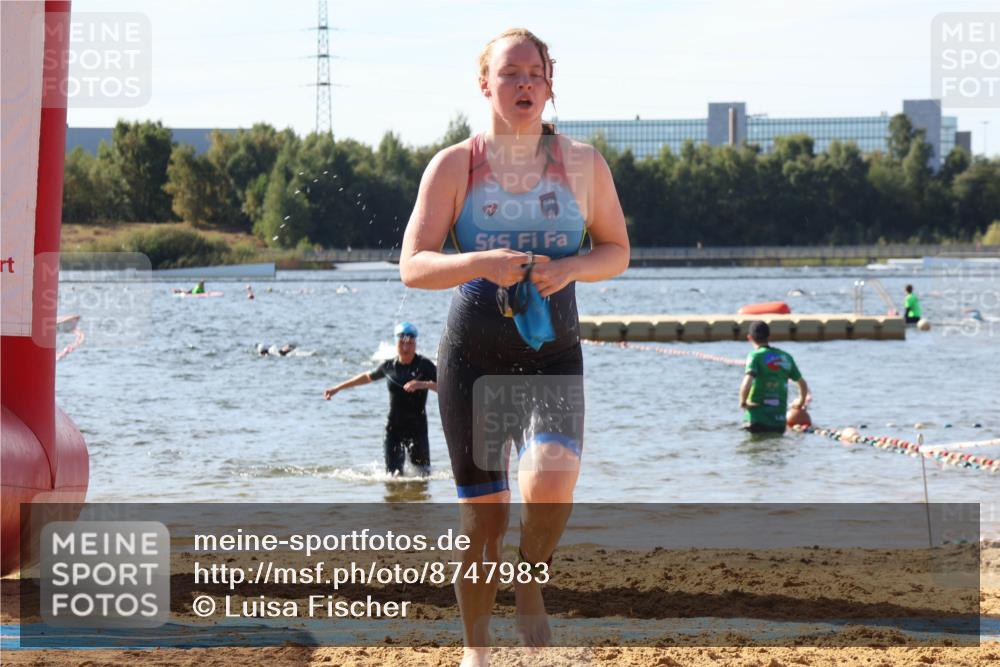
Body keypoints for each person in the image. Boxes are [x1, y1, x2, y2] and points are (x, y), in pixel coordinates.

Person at [398, 28, 629, 665]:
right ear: (485, 84)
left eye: (535, 73)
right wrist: (478, 260)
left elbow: (617, 250)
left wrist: (573, 267)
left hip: (553, 349)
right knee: (486, 522)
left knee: (553, 483)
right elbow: (413, 266)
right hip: (473, 355)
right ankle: (475, 651)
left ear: (550, 85)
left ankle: (530, 587)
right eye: (510, 73)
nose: (523, 84)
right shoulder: (455, 165)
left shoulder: (582, 164)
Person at [323, 322, 437, 476]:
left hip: (417, 428)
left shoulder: (425, 365)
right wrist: (338, 388)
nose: (406, 347)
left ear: (415, 343)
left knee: (423, 476)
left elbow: (446, 387)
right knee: (393, 476)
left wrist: (423, 384)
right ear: (396, 343)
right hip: (393, 428)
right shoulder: (389, 366)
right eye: (402, 343)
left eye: (410, 343)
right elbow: (366, 377)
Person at [739, 321, 810, 434]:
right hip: (778, 421)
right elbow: (802, 383)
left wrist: (743, 402)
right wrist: (800, 402)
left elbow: (747, 382)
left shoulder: (755, 356)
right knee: (774, 448)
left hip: (756, 419)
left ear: (749, 337)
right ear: (769, 337)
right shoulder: (785, 357)